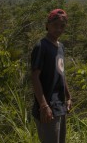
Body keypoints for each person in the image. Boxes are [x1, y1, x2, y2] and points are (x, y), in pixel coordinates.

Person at [31, 8, 72, 143]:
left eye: (62, 26)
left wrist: (68, 97)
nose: (58, 29)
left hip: (59, 106)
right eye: (55, 25)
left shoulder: (60, 47)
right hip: (47, 108)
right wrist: (43, 106)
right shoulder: (41, 46)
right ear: (47, 25)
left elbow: (61, 73)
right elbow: (35, 76)